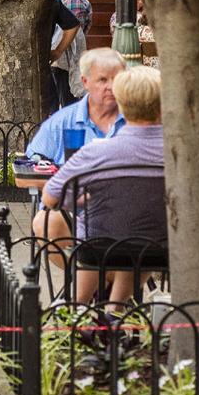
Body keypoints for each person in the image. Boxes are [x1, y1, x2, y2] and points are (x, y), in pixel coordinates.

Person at [33, 65, 166, 303]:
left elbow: (50, 197)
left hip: (98, 248)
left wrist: (79, 200)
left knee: (103, 234)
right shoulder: (181, 154)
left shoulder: (96, 152)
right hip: (159, 249)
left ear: (122, 105)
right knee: (134, 233)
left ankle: (80, 310)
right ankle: (115, 309)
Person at [26, 48, 126, 164]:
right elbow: (33, 161)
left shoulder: (135, 120)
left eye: (117, 79)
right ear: (85, 82)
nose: (111, 86)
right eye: (102, 80)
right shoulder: (61, 123)